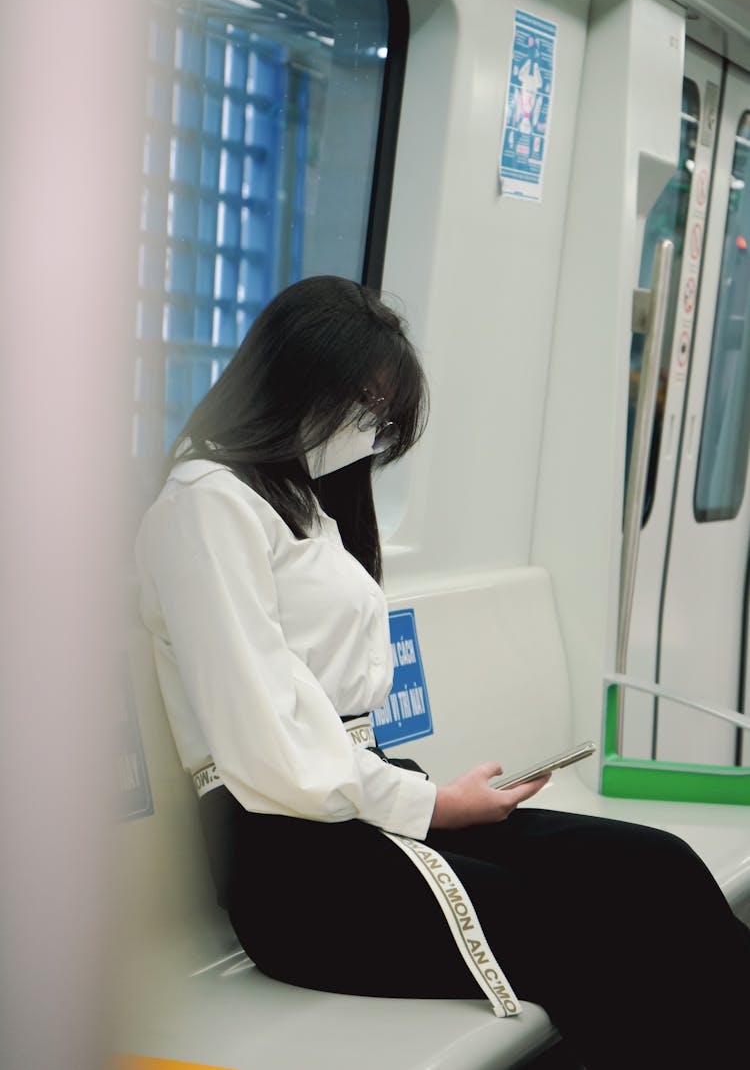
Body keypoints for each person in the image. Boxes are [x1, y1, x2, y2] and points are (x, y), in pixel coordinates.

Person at [136, 275, 749, 1069]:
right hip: (297, 863)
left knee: (653, 868)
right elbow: (265, 750)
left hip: (359, 809)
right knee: (593, 936)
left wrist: (423, 800)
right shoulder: (204, 505)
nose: (369, 429)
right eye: (363, 403)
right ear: (293, 376)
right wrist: (430, 803)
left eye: (380, 415)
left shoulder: (296, 499)